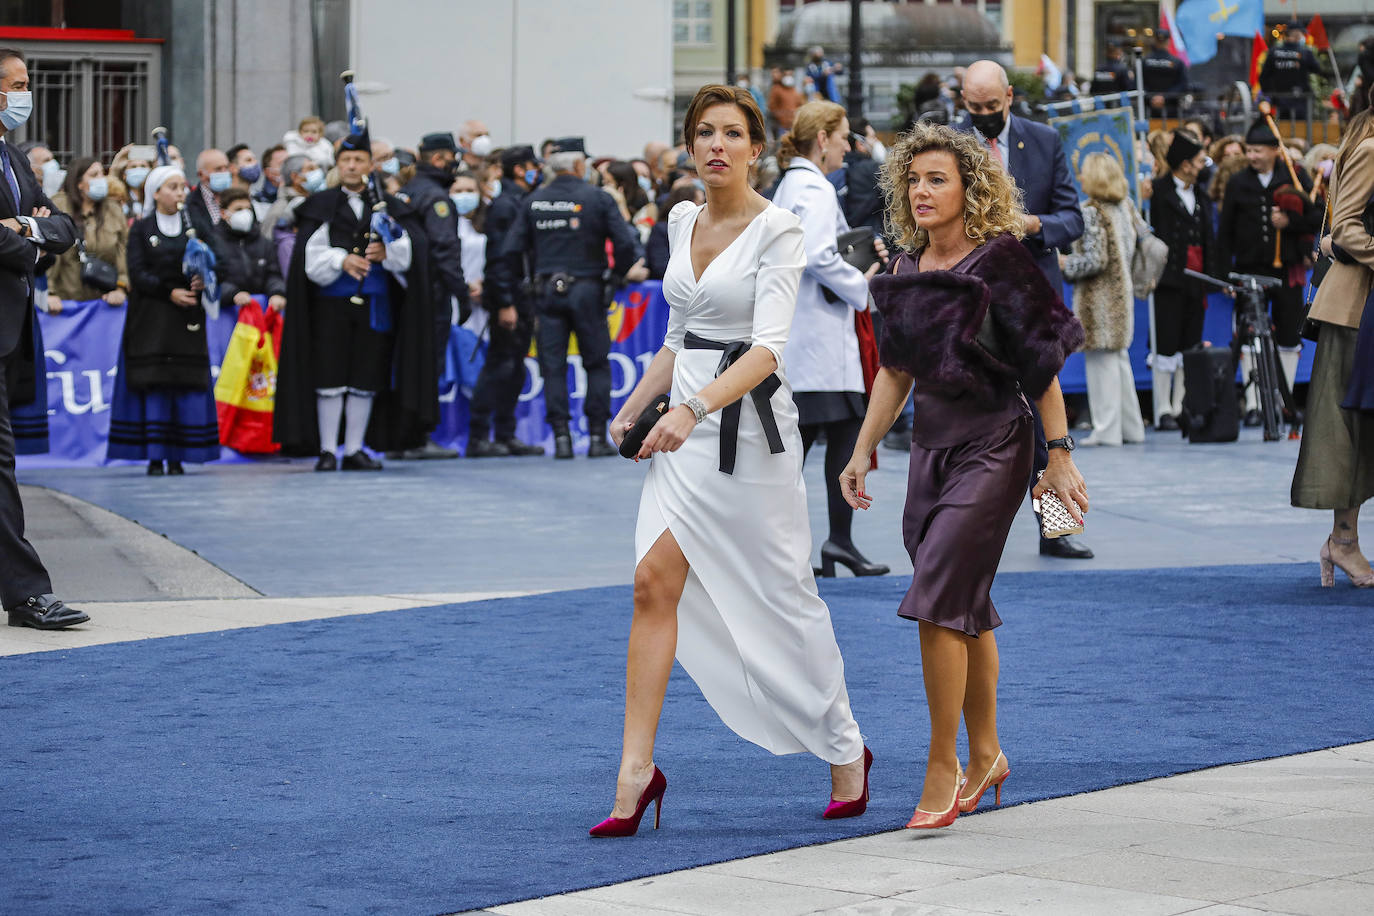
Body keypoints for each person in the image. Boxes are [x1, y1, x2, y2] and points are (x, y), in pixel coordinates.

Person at [591, 84, 872, 838]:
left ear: (756, 146)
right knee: (653, 584)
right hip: (682, 428)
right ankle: (635, 773)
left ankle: (846, 748)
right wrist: (638, 404)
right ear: (690, 146)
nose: (717, 145)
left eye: (732, 133)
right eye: (705, 133)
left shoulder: (779, 229)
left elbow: (770, 350)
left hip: (746, 435)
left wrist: (690, 409)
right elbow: (678, 335)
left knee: (784, 596)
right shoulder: (682, 218)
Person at [843, 120, 1087, 830]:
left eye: (937, 179)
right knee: (963, 609)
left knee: (936, 598)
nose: (921, 190)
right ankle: (988, 755)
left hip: (995, 445)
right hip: (930, 452)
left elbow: (1043, 362)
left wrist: (1060, 454)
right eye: (914, 179)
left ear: (969, 187)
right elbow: (895, 371)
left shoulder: (1001, 260)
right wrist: (861, 451)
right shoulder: (902, 271)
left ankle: (942, 766)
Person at [956, 59, 1090, 560]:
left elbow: (1072, 218)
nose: (985, 115)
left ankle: (1054, 528)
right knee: (970, 412)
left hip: (1030, 293)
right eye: (975, 107)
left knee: (1042, 415)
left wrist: (1032, 225)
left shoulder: (1044, 140)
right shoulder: (950, 141)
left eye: (992, 106)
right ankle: (964, 533)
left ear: (1010, 96)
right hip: (969, 294)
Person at [273, 120, 435, 471]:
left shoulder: (387, 206)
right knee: (329, 376)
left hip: (375, 307)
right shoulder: (320, 206)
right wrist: (340, 259)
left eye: (359, 160)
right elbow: (311, 259)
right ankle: (329, 449)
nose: (352, 167)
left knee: (366, 377)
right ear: (337, 164)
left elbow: (407, 252)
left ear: (370, 165)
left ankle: (355, 448)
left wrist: (386, 254)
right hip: (330, 306)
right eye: (346, 161)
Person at [772, 100, 889, 578]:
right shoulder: (815, 189)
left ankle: (831, 543)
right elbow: (820, 256)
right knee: (817, 446)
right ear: (822, 138)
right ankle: (821, 544)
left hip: (807, 341)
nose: (847, 146)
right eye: (842, 137)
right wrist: (865, 287)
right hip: (819, 342)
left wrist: (856, 254)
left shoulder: (791, 187)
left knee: (818, 445)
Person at [0, 47, 89, 629]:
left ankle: (24, 592)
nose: (24, 94)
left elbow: (66, 226)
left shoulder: (14, 157)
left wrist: (27, 227)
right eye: (18, 84)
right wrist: (33, 246)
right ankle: (27, 592)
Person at [490, 136, 646, 459]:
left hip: (546, 291)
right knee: (596, 364)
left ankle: (562, 438)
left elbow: (510, 250)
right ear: (578, 166)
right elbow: (627, 244)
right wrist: (615, 278)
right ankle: (596, 438)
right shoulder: (598, 198)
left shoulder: (535, 200)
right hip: (588, 288)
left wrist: (523, 281)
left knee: (553, 366)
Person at [1293, 109, 1374, 587]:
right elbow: (1344, 229)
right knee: (1350, 428)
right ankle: (1342, 541)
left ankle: (1342, 542)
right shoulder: (1369, 149)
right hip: (1357, 310)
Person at [106, 165, 220, 476]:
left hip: (187, 319)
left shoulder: (195, 225)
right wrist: (169, 291)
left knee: (183, 384)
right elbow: (137, 271)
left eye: (182, 187)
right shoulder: (142, 229)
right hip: (152, 319)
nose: (180, 193)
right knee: (154, 383)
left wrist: (203, 279)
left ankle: (179, 455)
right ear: (155, 193)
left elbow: (216, 258)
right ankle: (155, 456)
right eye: (172, 187)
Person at [1216, 117, 1321, 425]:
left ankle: (1284, 400)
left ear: (1275, 150)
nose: (1252, 156)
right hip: (1249, 270)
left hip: (1285, 269)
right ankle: (1254, 404)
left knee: (1288, 335)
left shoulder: (1293, 176)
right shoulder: (1238, 182)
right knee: (1249, 337)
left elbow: (1317, 217)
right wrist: (1225, 274)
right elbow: (1225, 233)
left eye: (1258, 150)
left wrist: (1290, 223)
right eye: (1249, 150)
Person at [1059, 152, 1147, 446]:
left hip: (1099, 300)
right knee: (1118, 362)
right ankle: (1132, 428)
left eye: (1084, 172)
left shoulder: (1092, 212)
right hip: (1122, 296)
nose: (1080, 178)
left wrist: (1065, 264)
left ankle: (1106, 429)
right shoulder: (1126, 207)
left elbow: (1095, 260)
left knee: (1101, 366)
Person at [467, 145, 545, 458]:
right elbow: (499, 259)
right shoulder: (506, 206)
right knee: (499, 367)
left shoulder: (520, 202)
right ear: (518, 168)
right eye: (531, 165)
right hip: (510, 295)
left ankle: (504, 433)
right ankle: (479, 436)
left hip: (521, 295)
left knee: (513, 368)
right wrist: (504, 303)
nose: (536, 170)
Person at [397, 131, 471, 461]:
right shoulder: (436, 198)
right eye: (453, 157)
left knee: (407, 363)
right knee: (428, 365)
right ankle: (418, 436)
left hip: (405, 292)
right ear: (439, 159)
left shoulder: (407, 192)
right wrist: (461, 293)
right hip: (431, 293)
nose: (456, 164)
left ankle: (402, 435)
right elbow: (445, 250)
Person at [1146, 130, 1215, 430]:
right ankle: (1163, 408)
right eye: (1201, 160)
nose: (1204, 165)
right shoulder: (1157, 192)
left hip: (1195, 279)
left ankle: (1182, 404)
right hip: (1168, 280)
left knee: (1190, 344)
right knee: (1165, 343)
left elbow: (1208, 238)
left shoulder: (1202, 194)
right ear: (1186, 164)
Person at [47, 156, 129, 306]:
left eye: (102, 174)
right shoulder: (59, 205)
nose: (101, 179)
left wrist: (121, 288)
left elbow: (122, 250)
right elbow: (51, 253)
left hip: (103, 301)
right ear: (79, 183)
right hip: (65, 301)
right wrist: (49, 293)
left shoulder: (113, 209)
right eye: (94, 175)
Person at [213, 187, 286, 316]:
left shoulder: (264, 243)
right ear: (224, 214)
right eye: (238, 209)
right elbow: (212, 281)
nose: (245, 213)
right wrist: (233, 294)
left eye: (248, 209)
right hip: (228, 314)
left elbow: (273, 274)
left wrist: (277, 293)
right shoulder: (213, 243)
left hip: (260, 312)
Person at [1259, 26, 1322, 118]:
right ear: (1297, 35)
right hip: (1302, 100)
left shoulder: (1273, 52)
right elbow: (1317, 69)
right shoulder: (1305, 52)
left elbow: (1264, 77)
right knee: (1302, 130)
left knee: (1282, 129)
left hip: (1280, 101)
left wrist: (1271, 94)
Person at [185, 148, 231, 254]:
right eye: (218, 169)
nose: (224, 173)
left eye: (226, 168)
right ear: (201, 174)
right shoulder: (189, 204)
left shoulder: (237, 198)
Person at [1141, 30, 1189, 114]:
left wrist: (1152, 97)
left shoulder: (1144, 61)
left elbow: (1138, 83)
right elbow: (1183, 84)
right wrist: (1165, 97)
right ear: (1168, 42)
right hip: (1171, 108)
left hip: (1148, 108)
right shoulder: (1177, 62)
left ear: (1154, 41)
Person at [768, 68, 803, 137]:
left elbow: (799, 105)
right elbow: (772, 107)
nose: (788, 77)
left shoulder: (794, 90)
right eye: (786, 75)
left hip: (793, 124)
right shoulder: (776, 89)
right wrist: (781, 117)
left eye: (790, 75)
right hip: (781, 126)